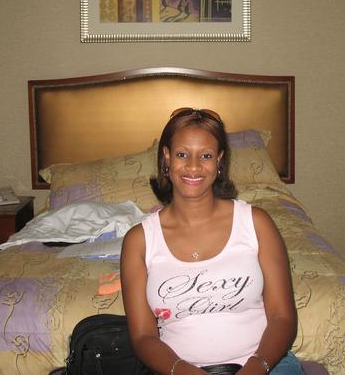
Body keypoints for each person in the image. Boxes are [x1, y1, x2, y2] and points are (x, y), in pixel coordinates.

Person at [120, 107, 304, 375]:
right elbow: (143, 337)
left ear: (219, 160)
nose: (193, 166)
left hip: (264, 365)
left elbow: (282, 317)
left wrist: (256, 368)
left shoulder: (256, 223)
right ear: (167, 157)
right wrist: (185, 372)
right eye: (182, 154)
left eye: (205, 155)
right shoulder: (139, 241)